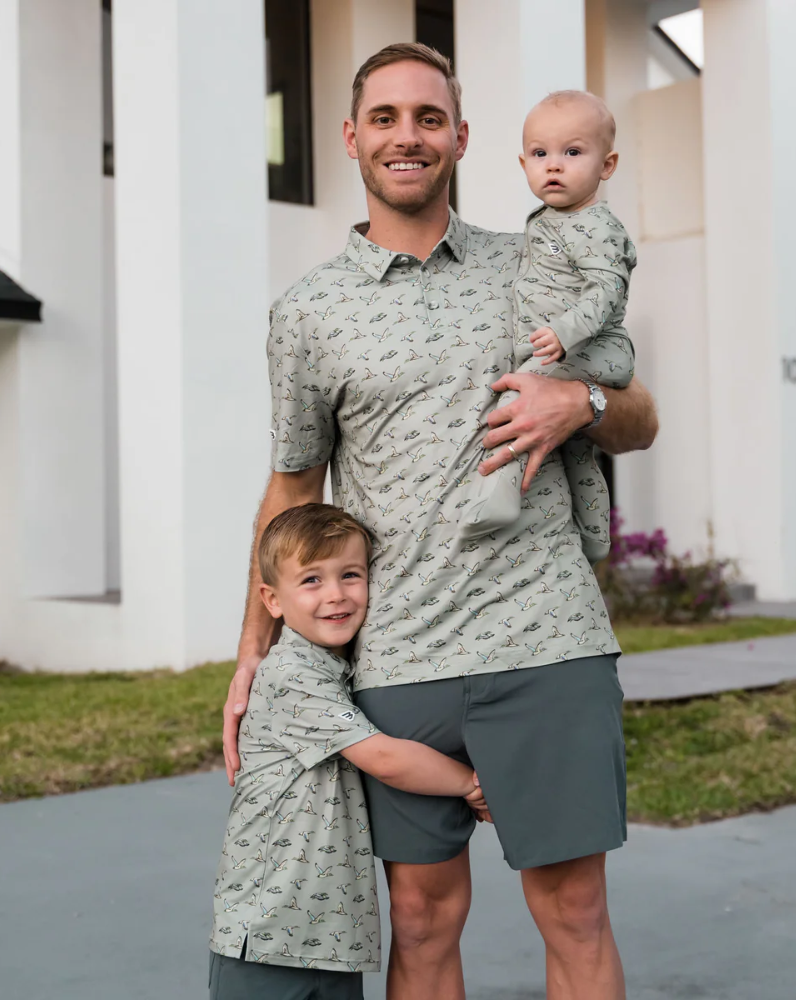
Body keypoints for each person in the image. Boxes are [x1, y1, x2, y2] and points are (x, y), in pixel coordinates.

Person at [224, 43, 658, 1000]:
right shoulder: (309, 312)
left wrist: (574, 403)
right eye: (384, 118)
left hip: (543, 635)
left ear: (460, 138)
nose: (406, 136)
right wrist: (253, 656)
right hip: (399, 656)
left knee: (575, 913)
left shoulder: (538, 260)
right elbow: (294, 490)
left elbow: (638, 416)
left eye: (428, 117)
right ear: (350, 138)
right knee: (420, 924)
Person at [209, 503, 490, 1000]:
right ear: (272, 600)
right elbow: (385, 758)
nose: (336, 595)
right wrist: (472, 784)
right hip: (270, 934)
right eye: (312, 580)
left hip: (333, 938)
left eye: (350, 575)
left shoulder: (342, 671)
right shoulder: (291, 674)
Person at [461, 90, 636, 567]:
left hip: (593, 346)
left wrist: (564, 330)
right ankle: (597, 534)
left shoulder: (596, 225)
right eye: (540, 154)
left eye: (572, 152)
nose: (553, 166)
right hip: (567, 348)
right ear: (523, 164)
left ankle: (494, 494)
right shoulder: (549, 222)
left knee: (516, 402)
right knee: (574, 446)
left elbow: (607, 290)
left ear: (608, 164)